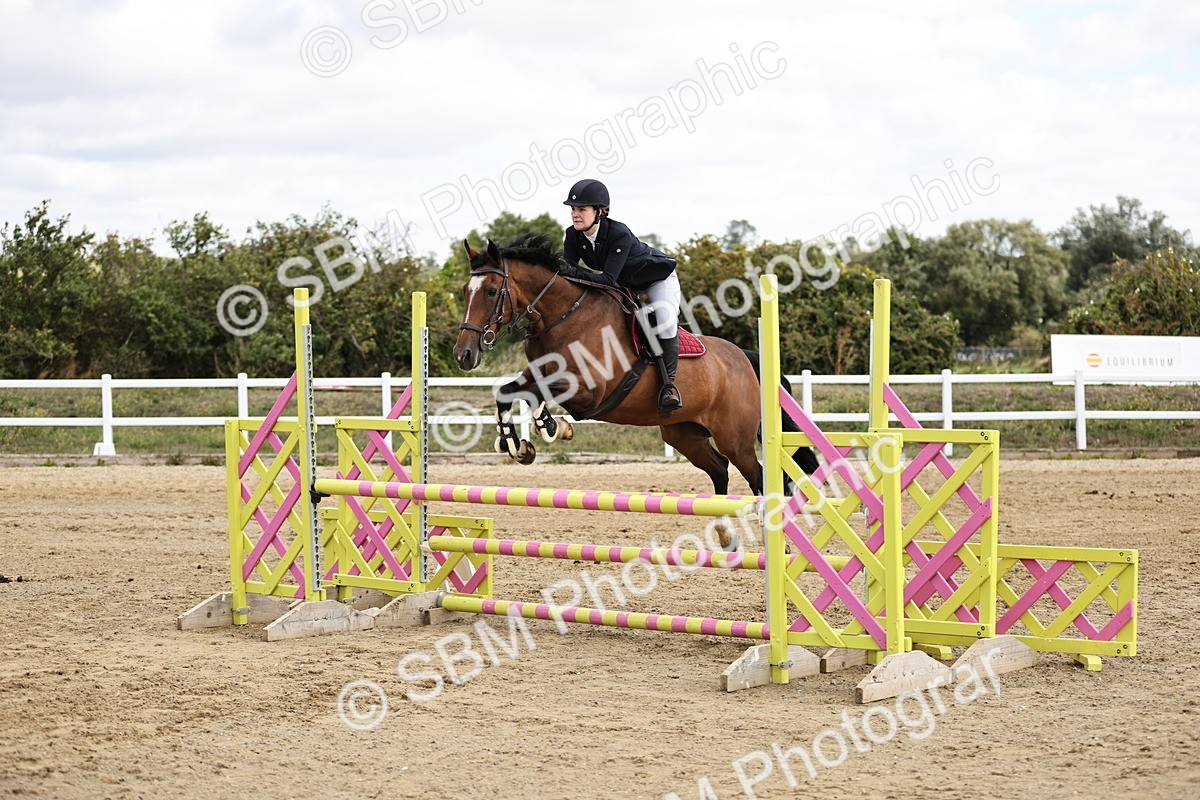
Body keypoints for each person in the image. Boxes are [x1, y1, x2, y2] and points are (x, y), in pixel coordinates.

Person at [560, 178, 684, 416]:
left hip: (656, 278)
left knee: (666, 321)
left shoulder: (618, 233)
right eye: (573, 209)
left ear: (599, 212)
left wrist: (574, 272)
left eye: (582, 209)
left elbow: (607, 280)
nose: (575, 214)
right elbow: (568, 276)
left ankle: (669, 387)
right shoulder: (573, 236)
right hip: (627, 284)